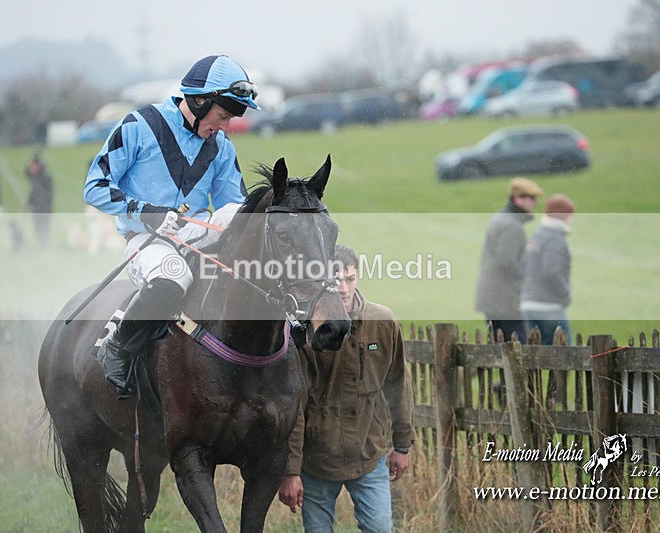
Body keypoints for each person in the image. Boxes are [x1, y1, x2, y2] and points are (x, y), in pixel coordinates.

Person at [82, 54, 259, 395]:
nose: (225, 127)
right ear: (200, 101)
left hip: (197, 233)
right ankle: (117, 347)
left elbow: (234, 207)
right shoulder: (138, 126)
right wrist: (148, 213)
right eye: (223, 116)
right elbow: (95, 187)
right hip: (146, 239)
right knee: (174, 277)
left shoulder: (221, 147)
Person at [278, 244, 415, 533]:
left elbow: (398, 384)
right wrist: (291, 470)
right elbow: (295, 405)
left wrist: (402, 446)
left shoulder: (382, 322)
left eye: (349, 279)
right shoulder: (305, 331)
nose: (342, 288)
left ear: (357, 278)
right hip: (317, 459)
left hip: (368, 453)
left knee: (380, 529)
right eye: (335, 280)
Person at [474, 177, 544, 343]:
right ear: (518, 199)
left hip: (494, 297)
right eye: (531, 198)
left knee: (500, 347)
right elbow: (506, 262)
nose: (534, 203)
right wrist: (530, 276)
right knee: (518, 348)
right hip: (504, 301)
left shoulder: (501, 218)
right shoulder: (512, 225)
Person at [520, 193, 575, 345]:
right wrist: (566, 294)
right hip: (549, 307)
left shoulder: (537, 236)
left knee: (534, 354)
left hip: (527, 304)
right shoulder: (555, 238)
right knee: (565, 354)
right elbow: (552, 272)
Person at [25, 152, 54, 246]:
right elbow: (33, 192)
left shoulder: (45, 178)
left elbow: (45, 195)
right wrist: (30, 203)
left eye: (33, 165)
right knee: (38, 227)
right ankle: (41, 244)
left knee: (44, 227)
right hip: (37, 208)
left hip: (44, 208)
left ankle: (45, 244)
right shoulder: (36, 177)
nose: (31, 167)